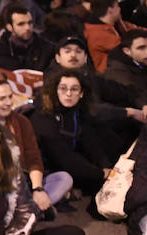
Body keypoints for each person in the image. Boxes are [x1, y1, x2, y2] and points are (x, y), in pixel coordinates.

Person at [0, 72, 71, 218]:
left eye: (10, 96)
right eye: (2, 98)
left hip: (24, 182)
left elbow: (33, 158)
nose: (9, 102)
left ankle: (30, 212)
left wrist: (38, 189)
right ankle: (33, 213)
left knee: (64, 178)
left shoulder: (21, 121)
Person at [30, 67, 116, 199]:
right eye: (63, 88)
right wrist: (100, 174)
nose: (68, 93)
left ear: (81, 93)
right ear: (55, 91)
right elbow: (63, 156)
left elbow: (92, 145)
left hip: (65, 167)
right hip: (41, 173)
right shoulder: (43, 115)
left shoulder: (77, 113)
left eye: (74, 89)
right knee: (66, 179)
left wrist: (107, 168)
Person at [0, 5, 54, 72]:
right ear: (9, 27)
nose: (27, 28)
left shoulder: (46, 47)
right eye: (21, 24)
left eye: (30, 23)